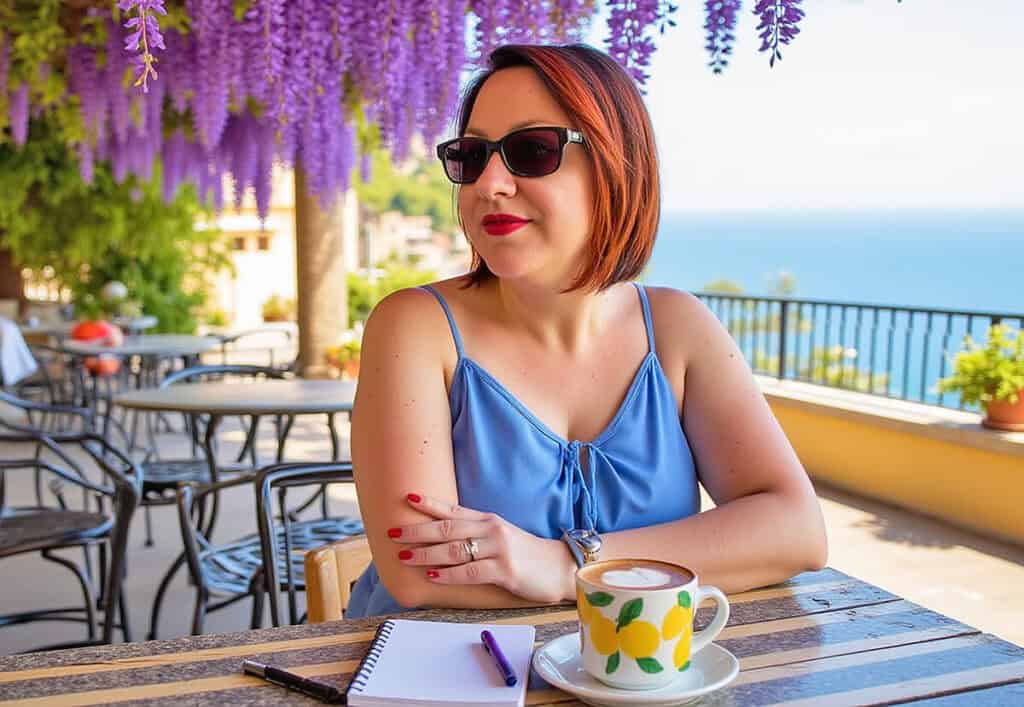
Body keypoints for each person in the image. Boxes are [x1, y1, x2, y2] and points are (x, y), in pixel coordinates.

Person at [347, 43, 827, 618]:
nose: (489, 184)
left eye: (531, 150)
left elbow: (797, 532)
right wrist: (669, 562)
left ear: (615, 163)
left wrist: (565, 563)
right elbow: (421, 576)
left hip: (633, 677)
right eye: (472, 156)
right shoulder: (415, 327)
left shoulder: (677, 329)